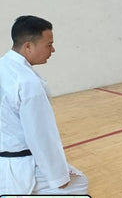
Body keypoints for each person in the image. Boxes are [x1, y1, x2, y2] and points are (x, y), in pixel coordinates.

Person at [0, 16, 88, 194]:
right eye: (49, 44)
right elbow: (40, 135)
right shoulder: (27, 82)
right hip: (18, 167)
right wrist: (59, 176)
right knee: (79, 186)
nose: (53, 49)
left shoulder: (3, 66)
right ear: (28, 46)